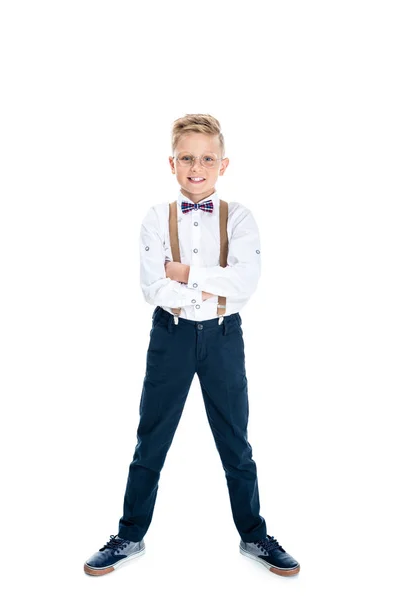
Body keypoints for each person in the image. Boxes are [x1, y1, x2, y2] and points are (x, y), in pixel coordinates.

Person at [84, 113, 300, 577]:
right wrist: (206, 285)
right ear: (172, 162)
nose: (196, 166)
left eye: (207, 158)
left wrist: (185, 273)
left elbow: (245, 282)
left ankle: (254, 535)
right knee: (151, 440)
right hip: (172, 336)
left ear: (224, 164)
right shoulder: (155, 218)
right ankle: (129, 535)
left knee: (236, 443)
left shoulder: (239, 217)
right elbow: (152, 286)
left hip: (224, 338)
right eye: (187, 157)